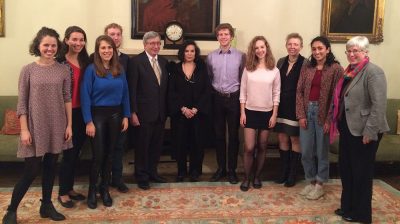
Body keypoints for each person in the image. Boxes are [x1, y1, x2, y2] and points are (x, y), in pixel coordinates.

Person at [2, 27, 72, 223]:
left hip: (57, 124)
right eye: (46, 45)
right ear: (38, 46)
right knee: (31, 171)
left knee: (51, 167)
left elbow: (67, 98)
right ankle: (11, 210)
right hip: (34, 126)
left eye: (53, 45)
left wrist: (69, 126)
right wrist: (24, 129)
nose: (50, 49)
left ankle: (46, 205)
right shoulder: (28, 70)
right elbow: (22, 103)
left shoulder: (63, 69)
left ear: (58, 47)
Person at [332, 36, 389, 223]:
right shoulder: (348, 72)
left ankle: (362, 214)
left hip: (365, 130)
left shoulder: (373, 72)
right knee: (347, 170)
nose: (352, 54)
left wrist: (370, 132)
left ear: (365, 52)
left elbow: (379, 105)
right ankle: (348, 207)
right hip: (349, 128)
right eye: (349, 51)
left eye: (356, 50)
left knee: (361, 173)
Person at [80, 35, 130, 209]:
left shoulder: (119, 69)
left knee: (110, 155)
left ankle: (105, 188)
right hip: (97, 116)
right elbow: (85, 96)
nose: (107, 51)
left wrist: (126, 116)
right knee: (98, 156)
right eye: (103, 48)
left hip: (116, 116)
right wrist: (88, 121)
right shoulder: (91, 69)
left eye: (110, 48)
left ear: (114, 50)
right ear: (98, 50)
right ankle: (92, 191)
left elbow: (125, 94)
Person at [296, 36, 343, 200]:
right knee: (306, 150)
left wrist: (330, 120)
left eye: (320, 48)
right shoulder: (307, 67)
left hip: (324, 114)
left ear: (327, 49)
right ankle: (310, 181)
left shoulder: (336, 69)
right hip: (307, 112)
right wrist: (301, 115)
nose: (317, 52)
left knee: (321, 151)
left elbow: (337, 97)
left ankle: (320, 184)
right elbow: (299, 92)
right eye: (314, 49)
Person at [239, 36, 280, 191]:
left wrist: (274, 114)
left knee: (262, 146)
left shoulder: (274, 70)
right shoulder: (248, 69)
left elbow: (277, 93)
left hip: (267, 113)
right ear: (253, 50)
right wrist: (242, 113)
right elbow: (242, 92)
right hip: (249, 112)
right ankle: (246, 178)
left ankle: (257, 177)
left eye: (262, 47)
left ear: (266, 48)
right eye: (256, 48)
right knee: (249, 147)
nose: (260, 50)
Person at [128, 31, 169, 190]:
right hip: (143, 114)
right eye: (152, 43)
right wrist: (133, 112)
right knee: (142, 146)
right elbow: (132, 89)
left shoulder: (164, 62)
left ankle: (153, 172)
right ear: (144, 45)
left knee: (156, 146)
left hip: (160, 113)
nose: (156, 46)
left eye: (158, 43)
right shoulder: (136, 62)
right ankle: (141, 176)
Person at [206, 23, 245, 184]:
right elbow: (209, 78)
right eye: (220, 34)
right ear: (217, 37)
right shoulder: (210, 57)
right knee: (218, 135)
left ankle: (232, 170)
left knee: (234, 136)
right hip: (217, 98)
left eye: (226, 34)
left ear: (231, 37)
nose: (223, 37)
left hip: (234, 98)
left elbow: (244, 78)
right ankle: (221, 168)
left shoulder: (241, 56)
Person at [168, 40, 212, 182]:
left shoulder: (202, 67)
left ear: (196, 53)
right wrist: (183, 108)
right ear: (182, 53)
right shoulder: (175, 68)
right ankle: (181, 171)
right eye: (187, 51)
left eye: (192, 51)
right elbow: (171, 92)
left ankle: (195, 171)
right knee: (180, 142)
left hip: (198, 113)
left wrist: (195, 108)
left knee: (197, 143)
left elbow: (206, 90)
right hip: (180, 113)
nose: (189, 53)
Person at [57, 26, 90, 208]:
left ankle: (69, 188)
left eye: (81, 40)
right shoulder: (59, 62)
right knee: (68, 154)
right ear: (66, 40)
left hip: (82, 112)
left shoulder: (87, 60)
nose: (78, 43)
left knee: (76, 152)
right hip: (64, 113)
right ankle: (62, 192)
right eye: (74, 39)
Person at [274, 33, 306, 187]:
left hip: (296, 107)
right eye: (290, 44)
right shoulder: (281, 61)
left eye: (296, 44)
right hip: (281, 106)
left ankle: (293, 174)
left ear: (301, 46)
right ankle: (283, 172)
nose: (292, 47)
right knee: (282, 138)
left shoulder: (306, 63)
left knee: (294, 139)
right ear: (286, 45)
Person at [104, 23, 130, 193]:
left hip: (120, 111)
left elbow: (128, 88)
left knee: (119, 147)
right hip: (101, 112)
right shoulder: (95, 58)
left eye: (118, 34)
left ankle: (117, 179)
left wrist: (128, 113)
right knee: (104, 148)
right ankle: (103, 181)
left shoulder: (126, 60)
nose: (115, 37)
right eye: (112, 34)